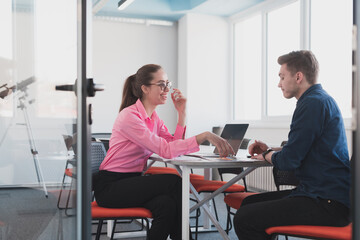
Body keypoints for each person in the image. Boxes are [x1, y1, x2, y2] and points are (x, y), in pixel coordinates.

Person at [93, 64, 234, 240]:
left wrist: (181, 114)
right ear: (144, 88)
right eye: (161, 84)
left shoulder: (153, 118)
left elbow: (173, 146)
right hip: (111, 187)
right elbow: (166, 150)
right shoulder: (130, 116)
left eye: (168, 83)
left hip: (130, 182)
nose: (167, 89)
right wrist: (204, 136)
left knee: (166, 205)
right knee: (174, 182)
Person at [233, 50, 351, 240]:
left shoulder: (312, 104)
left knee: (244, 219)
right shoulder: (319, 100)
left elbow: (289, 161)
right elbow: (304, 148)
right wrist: (272, 149)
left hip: (327, 203)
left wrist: (267, 154)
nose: (278, 84)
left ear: (298, 77)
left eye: (281, 77)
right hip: (321, 195)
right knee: (247, 205)